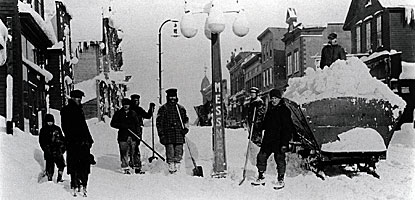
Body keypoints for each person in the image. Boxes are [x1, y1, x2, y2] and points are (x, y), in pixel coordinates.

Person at [251, 89, 295, 189]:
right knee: (261, 157)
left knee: (279, 159)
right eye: (272, 98)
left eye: (276, 98)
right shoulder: (270, 110)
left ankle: (281, 180)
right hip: (268, 140)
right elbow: (265, 124)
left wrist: (285, 143)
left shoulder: (285, 111)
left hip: (279, 140)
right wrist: (257, 124)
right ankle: (261, 177)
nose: (273, 100)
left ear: (280, 99)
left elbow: (287, 129)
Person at [61, 89, 94, 197]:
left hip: (82, 142)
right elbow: (66, 127)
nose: (80, 100)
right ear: (73, 98)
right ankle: (75, 182)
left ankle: (82, 182)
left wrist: (89, 139)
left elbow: (83, 126)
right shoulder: (66, 110)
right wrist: (73, 139)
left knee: (84, 164)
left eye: (80, 98)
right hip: (73, 142)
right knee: (74, 164)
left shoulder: (79, 109)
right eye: (78, 98)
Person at [156, 88, 189, 174]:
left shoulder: (181, 109)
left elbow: (186, 120)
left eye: (174, 97)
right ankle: (171, 169)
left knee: (179, 152)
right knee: (170, 152)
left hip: (179, 134)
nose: (172, 99)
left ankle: (178, 168)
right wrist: (161, 135)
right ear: (167, 97)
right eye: (171, 97)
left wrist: (186, 128)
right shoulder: (163, 109)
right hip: (168, 135)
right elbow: (159, 123)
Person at [110, 98, 142, 174]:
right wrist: (122, 125)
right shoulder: (118, 113)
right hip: (123, 136)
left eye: (127, 105)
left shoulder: (133, 113)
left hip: (133, 135)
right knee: (124, 152)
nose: (125, 106)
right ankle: (125, 167)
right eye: (124, 105)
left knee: (135, 151)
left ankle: (137, 167)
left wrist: (138, 134)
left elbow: (137, 124)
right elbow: (113, 124)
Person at [130, 94, 155, 171]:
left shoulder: (139, 109)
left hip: (138, 130)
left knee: (136, 145)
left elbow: (147, 116)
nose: (136, 102)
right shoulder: (129, 109)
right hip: (129, 130)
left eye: (137, 101)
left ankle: (136, 163)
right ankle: (132, 162)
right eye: (134, 101)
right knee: (131, 146)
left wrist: (151, 109)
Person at [39, 114, 66, 182]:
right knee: (50, 167)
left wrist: (63, 148)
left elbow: (62, 138)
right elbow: (41, 141)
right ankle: (49, 179)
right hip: (49, 151)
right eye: (48, 122)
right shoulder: (43, 130)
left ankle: (59, 177)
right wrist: (45, 149)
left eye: (51, 121)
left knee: (61, 165)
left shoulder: (57, 129)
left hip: (58, 151)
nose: (50, 123)